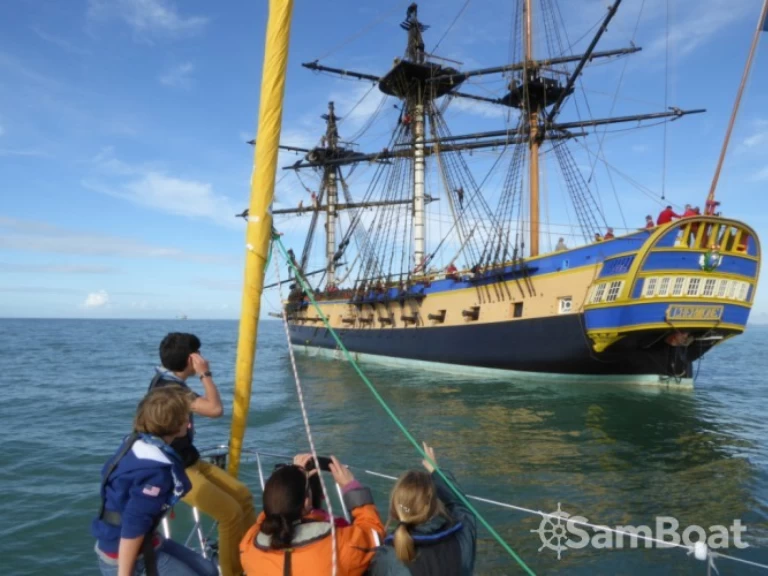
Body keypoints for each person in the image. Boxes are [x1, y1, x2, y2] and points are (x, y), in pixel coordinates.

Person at [148, 333, 256, 576]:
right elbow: (215, 409)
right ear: (191, 358)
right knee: (230, 514)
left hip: (191, 459)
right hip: (176, 469)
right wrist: (205, 374)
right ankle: (234, 572)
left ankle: (253, 555)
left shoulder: (165, 380)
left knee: (244, 497)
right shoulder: (170, 389)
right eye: (198, 354)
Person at [92, 387, 219, 576]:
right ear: (173, 425)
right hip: (126, 555)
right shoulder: (155, 474)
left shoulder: (138, 444)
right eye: (186, 417)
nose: (190, 424)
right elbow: (133, 526)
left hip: (147, 540)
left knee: (208, 570)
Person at [240, 454, 384, 576]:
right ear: (307, 502)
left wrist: (290, 479)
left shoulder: (248, 547)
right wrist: (350, 486)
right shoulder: (337, 545)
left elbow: (270, 515)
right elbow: (374, 534)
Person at [367, 443, 477, 576]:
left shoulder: (387, 559)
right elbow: (462, 506)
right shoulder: (462, 538)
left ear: (395, 509)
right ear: (434, 505)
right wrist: (436, 471)